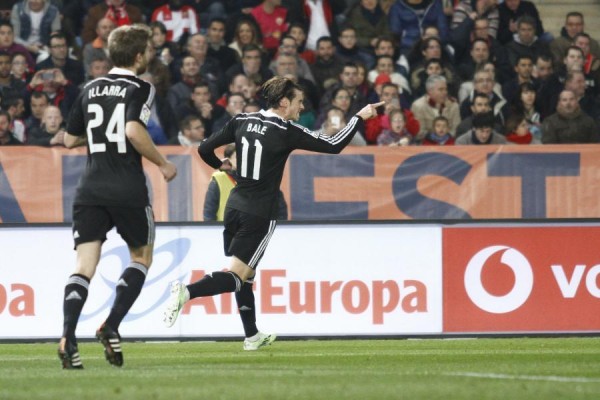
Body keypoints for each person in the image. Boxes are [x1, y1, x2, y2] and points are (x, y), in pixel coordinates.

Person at [163, 76, 383, 350]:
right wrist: (359, 117)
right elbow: (335, 143)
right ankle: (186, 291)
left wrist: (221, 166)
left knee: (247, 273)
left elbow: (204, 148)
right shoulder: (286, 130)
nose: (301, 108)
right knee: (237, 275)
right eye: (298, 102)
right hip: (259, 212)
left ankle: (252, 336)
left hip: (234, 205)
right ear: (283, 102)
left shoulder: (242, 120)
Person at [57, 25, 177, 370]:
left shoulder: (88, 88)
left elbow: (68, 140)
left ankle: (68, 336)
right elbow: (131, 129)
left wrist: (97, 135)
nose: (151, 55)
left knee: (84, 266)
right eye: (149, 51)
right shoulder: (141, 87)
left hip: (90, 189)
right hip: (126, 188)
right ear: (139, 56)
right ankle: (111, 325)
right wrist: (162, 162)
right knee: (141, 257)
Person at [204, 143, 288, 221]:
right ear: (228, 159)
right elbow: (209, 213)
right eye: (238, 157)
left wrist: (280, 229)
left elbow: (280, 209)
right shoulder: (219, 179)